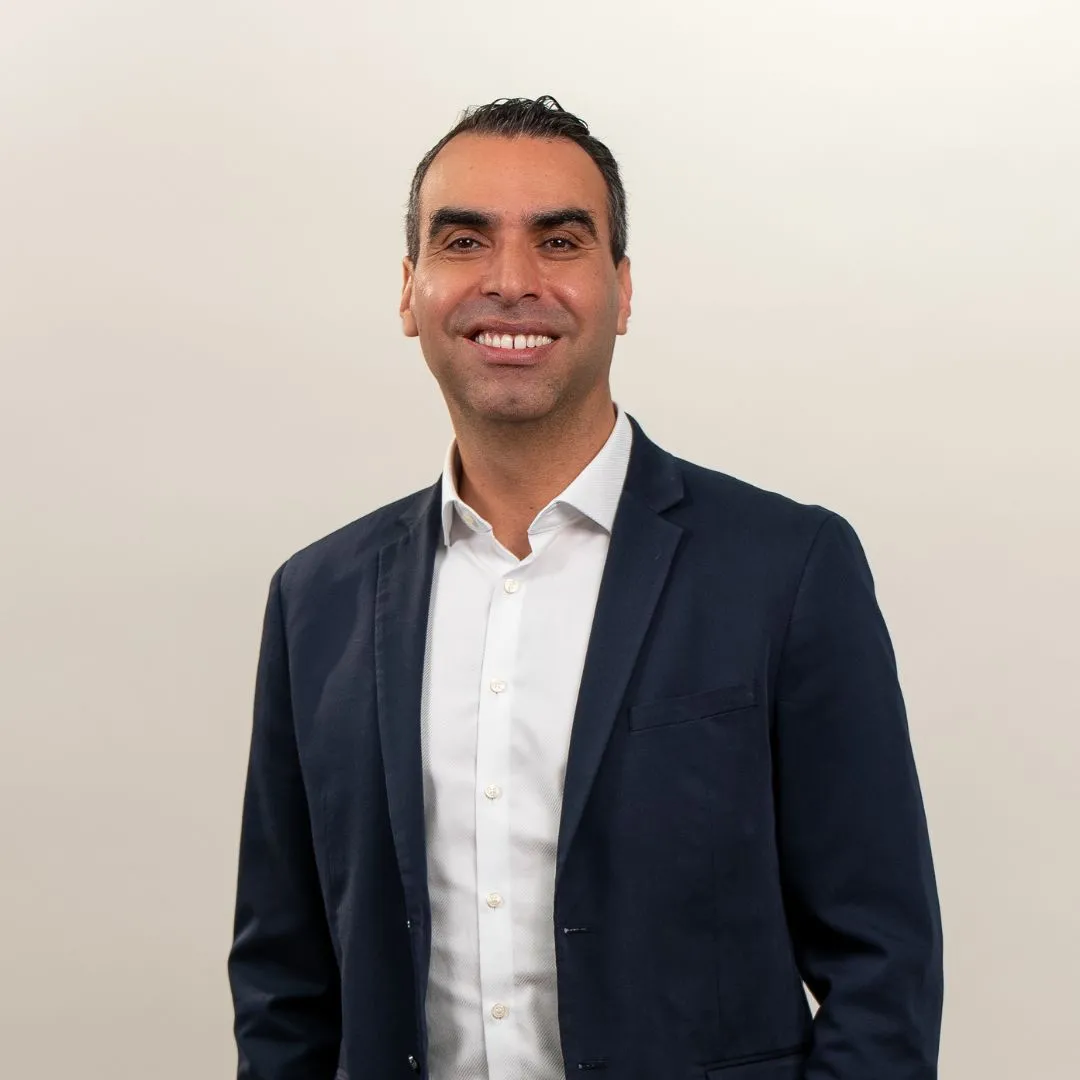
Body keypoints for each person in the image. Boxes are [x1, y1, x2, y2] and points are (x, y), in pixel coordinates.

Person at [228, 95, 943, 1080]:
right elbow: (284, 982)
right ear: (409, 291)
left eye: (559, 241)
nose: (512, 281)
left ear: (622, 288)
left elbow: (884, 962)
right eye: (465, 240)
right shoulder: (317, 601)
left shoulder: (787, 570)